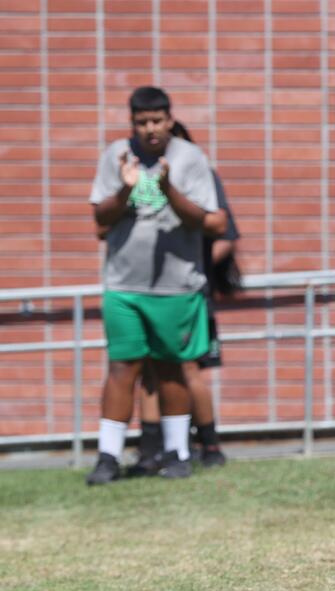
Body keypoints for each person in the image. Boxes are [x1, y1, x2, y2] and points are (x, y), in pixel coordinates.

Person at [86, 86, 224, 485]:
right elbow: (100, 221)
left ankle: (178, 452)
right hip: (124, 286)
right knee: (121, 368)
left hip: (176, 287)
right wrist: (126, 188)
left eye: (157, 121)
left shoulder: (190, 157)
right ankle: (108, 457)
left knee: (170, 371)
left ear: (169, 119)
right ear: (132, 122)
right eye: (142, 122)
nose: (150, 129)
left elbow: (211, 221)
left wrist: (168, 190)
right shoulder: (117, 155)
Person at [129, 121, 239, 475]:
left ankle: (209, 444)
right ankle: (152, 449)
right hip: (150, 291)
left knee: (189, 368)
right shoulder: (141, 176)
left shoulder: (200, 175)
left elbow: (225, 233)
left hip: (188, 291)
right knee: (150, 367)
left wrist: (198, 269)